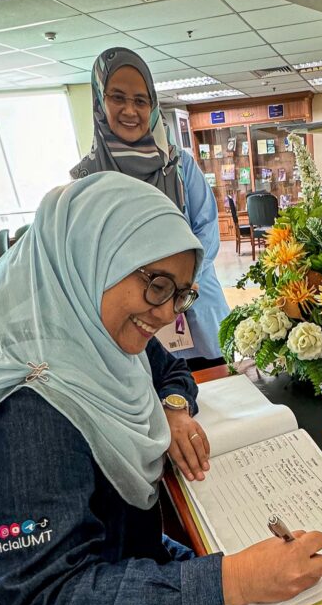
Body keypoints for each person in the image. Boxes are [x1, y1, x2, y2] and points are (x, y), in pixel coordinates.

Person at [0, 173, 322, 605]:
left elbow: (168, 366)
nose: (168, 313)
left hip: (126, 556)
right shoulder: (31, 413)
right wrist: (230, 579)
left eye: (180, 294)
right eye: (155, 285)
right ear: (91, 255)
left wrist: (174, 407)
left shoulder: (83, 327)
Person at [71, 46, 229, 370]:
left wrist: (177, 287)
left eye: (140, 100)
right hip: (129, 325)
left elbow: (206, 229)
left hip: (193, 306)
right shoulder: (87, 180)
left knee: (216, 391)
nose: (130, 110)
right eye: (118, 97)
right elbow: (87, 258)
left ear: (152, 105)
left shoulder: (178, 165)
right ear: (100, 101)